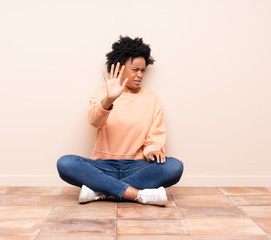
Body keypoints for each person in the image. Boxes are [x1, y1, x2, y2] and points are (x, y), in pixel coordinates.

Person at [57, 36, 183, 206]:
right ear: (120, 68)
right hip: (102, 167)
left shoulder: (151, 98)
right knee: (65, 163)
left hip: (138, 167)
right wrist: (109, 99)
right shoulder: (103, 91)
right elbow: (94, 120)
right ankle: (138, 195)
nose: (140, 75)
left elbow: (154, 137)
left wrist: (153, 150)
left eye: (143, 70)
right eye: (135, 69)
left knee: (174, 166)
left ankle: (102, 191)